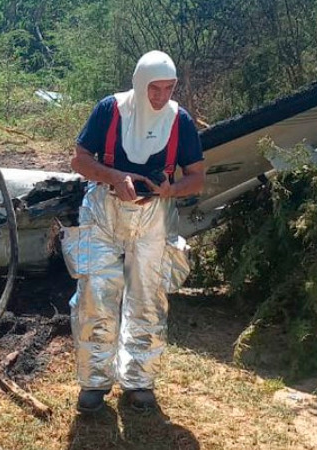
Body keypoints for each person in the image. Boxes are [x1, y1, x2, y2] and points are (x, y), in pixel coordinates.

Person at [63, 50, 205, 413]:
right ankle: (94, 382)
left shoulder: (180, 121)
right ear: (139, 84)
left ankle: (139, 380)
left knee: (148, 298)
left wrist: (172, 189)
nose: (160, 97)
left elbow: (197, 178)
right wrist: (114, 177)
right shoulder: (110, 111)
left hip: (153, 217)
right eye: (153, 89)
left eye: (168, 89)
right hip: (103, 211)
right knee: (96, 293)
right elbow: (79, 159)